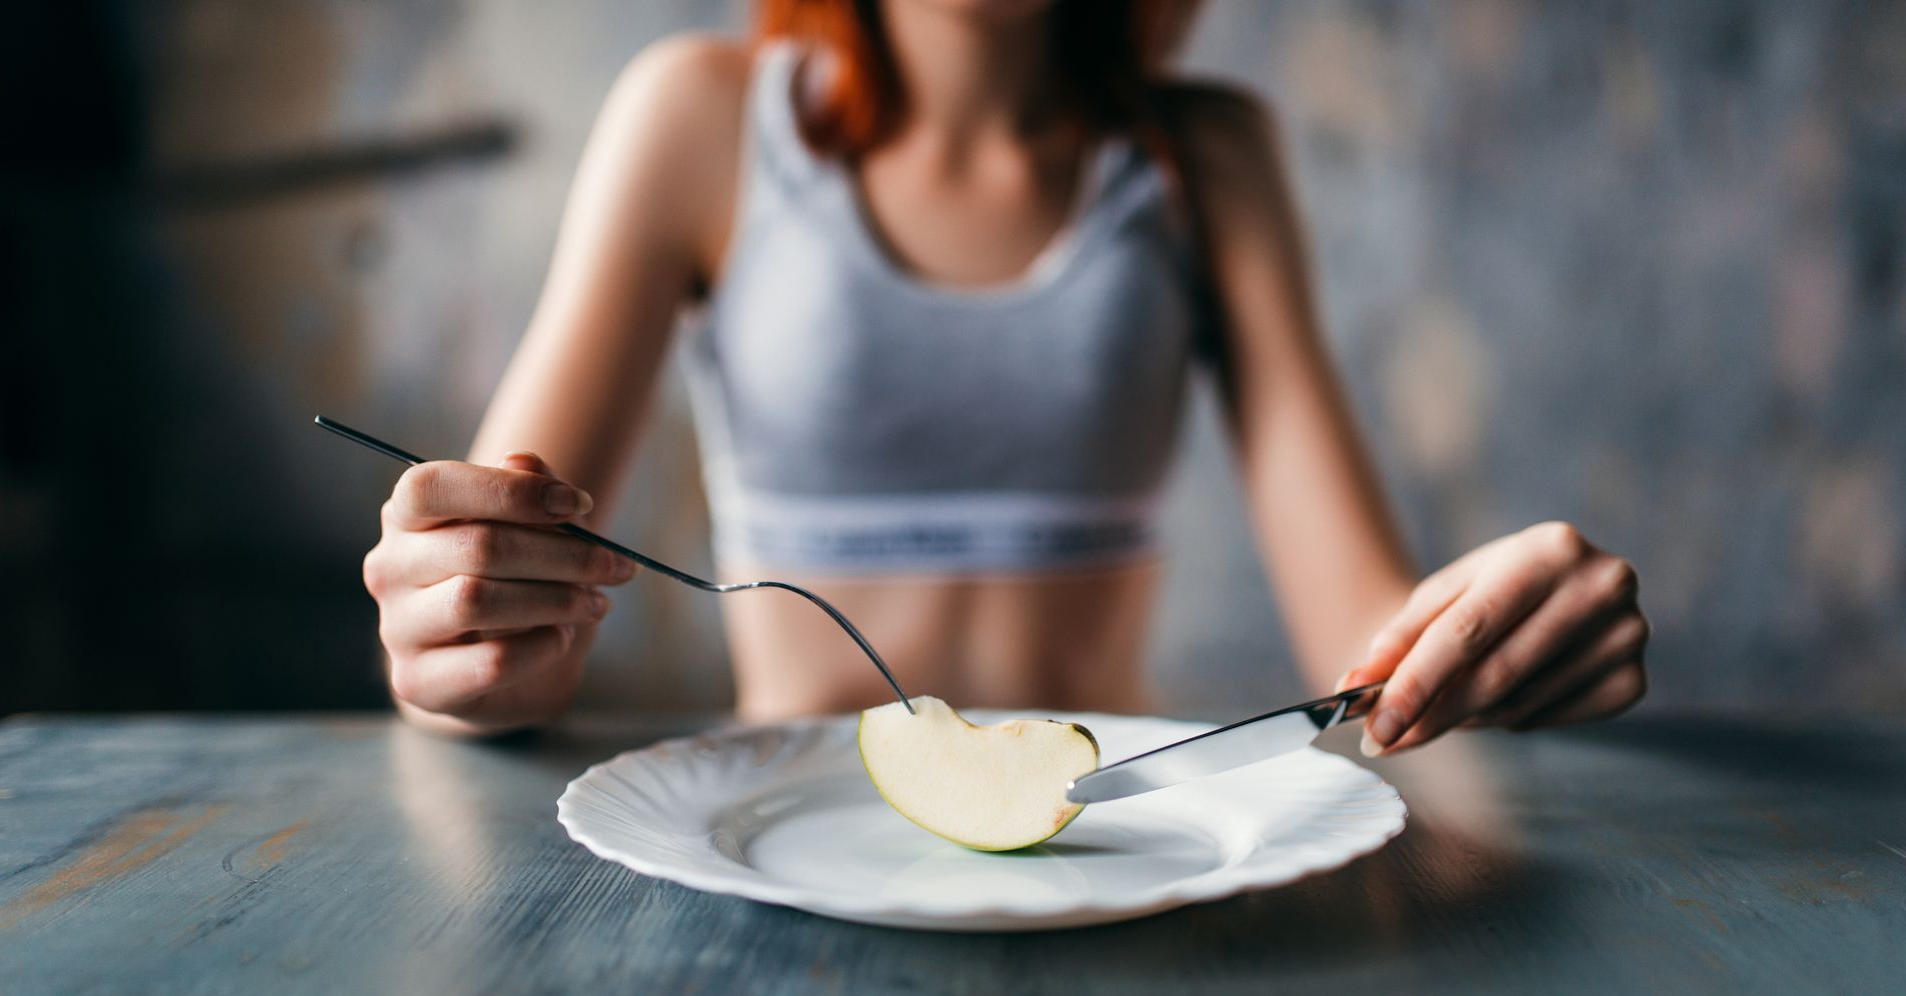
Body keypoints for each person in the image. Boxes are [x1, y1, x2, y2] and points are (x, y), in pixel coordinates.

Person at [361, 0, 1648, 754]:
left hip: (1109, 856)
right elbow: (495, 564)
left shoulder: (1206, 156)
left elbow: (1369, 650)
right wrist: (467, 642)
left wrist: (1498, 639)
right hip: (788, 856)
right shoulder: (696, 119)